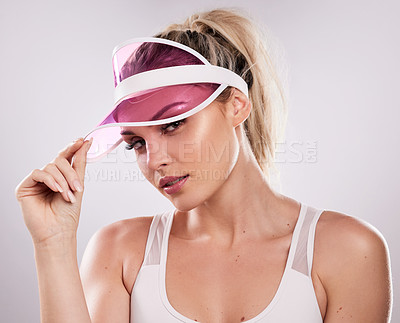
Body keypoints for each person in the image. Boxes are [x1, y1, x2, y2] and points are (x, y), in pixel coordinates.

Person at [15, 8, 392, 323]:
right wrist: (54, 245)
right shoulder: (120, 253)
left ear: (236, 106)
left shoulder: (346, 251)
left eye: (173, 124)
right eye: (136, 143)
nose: (155, 159)